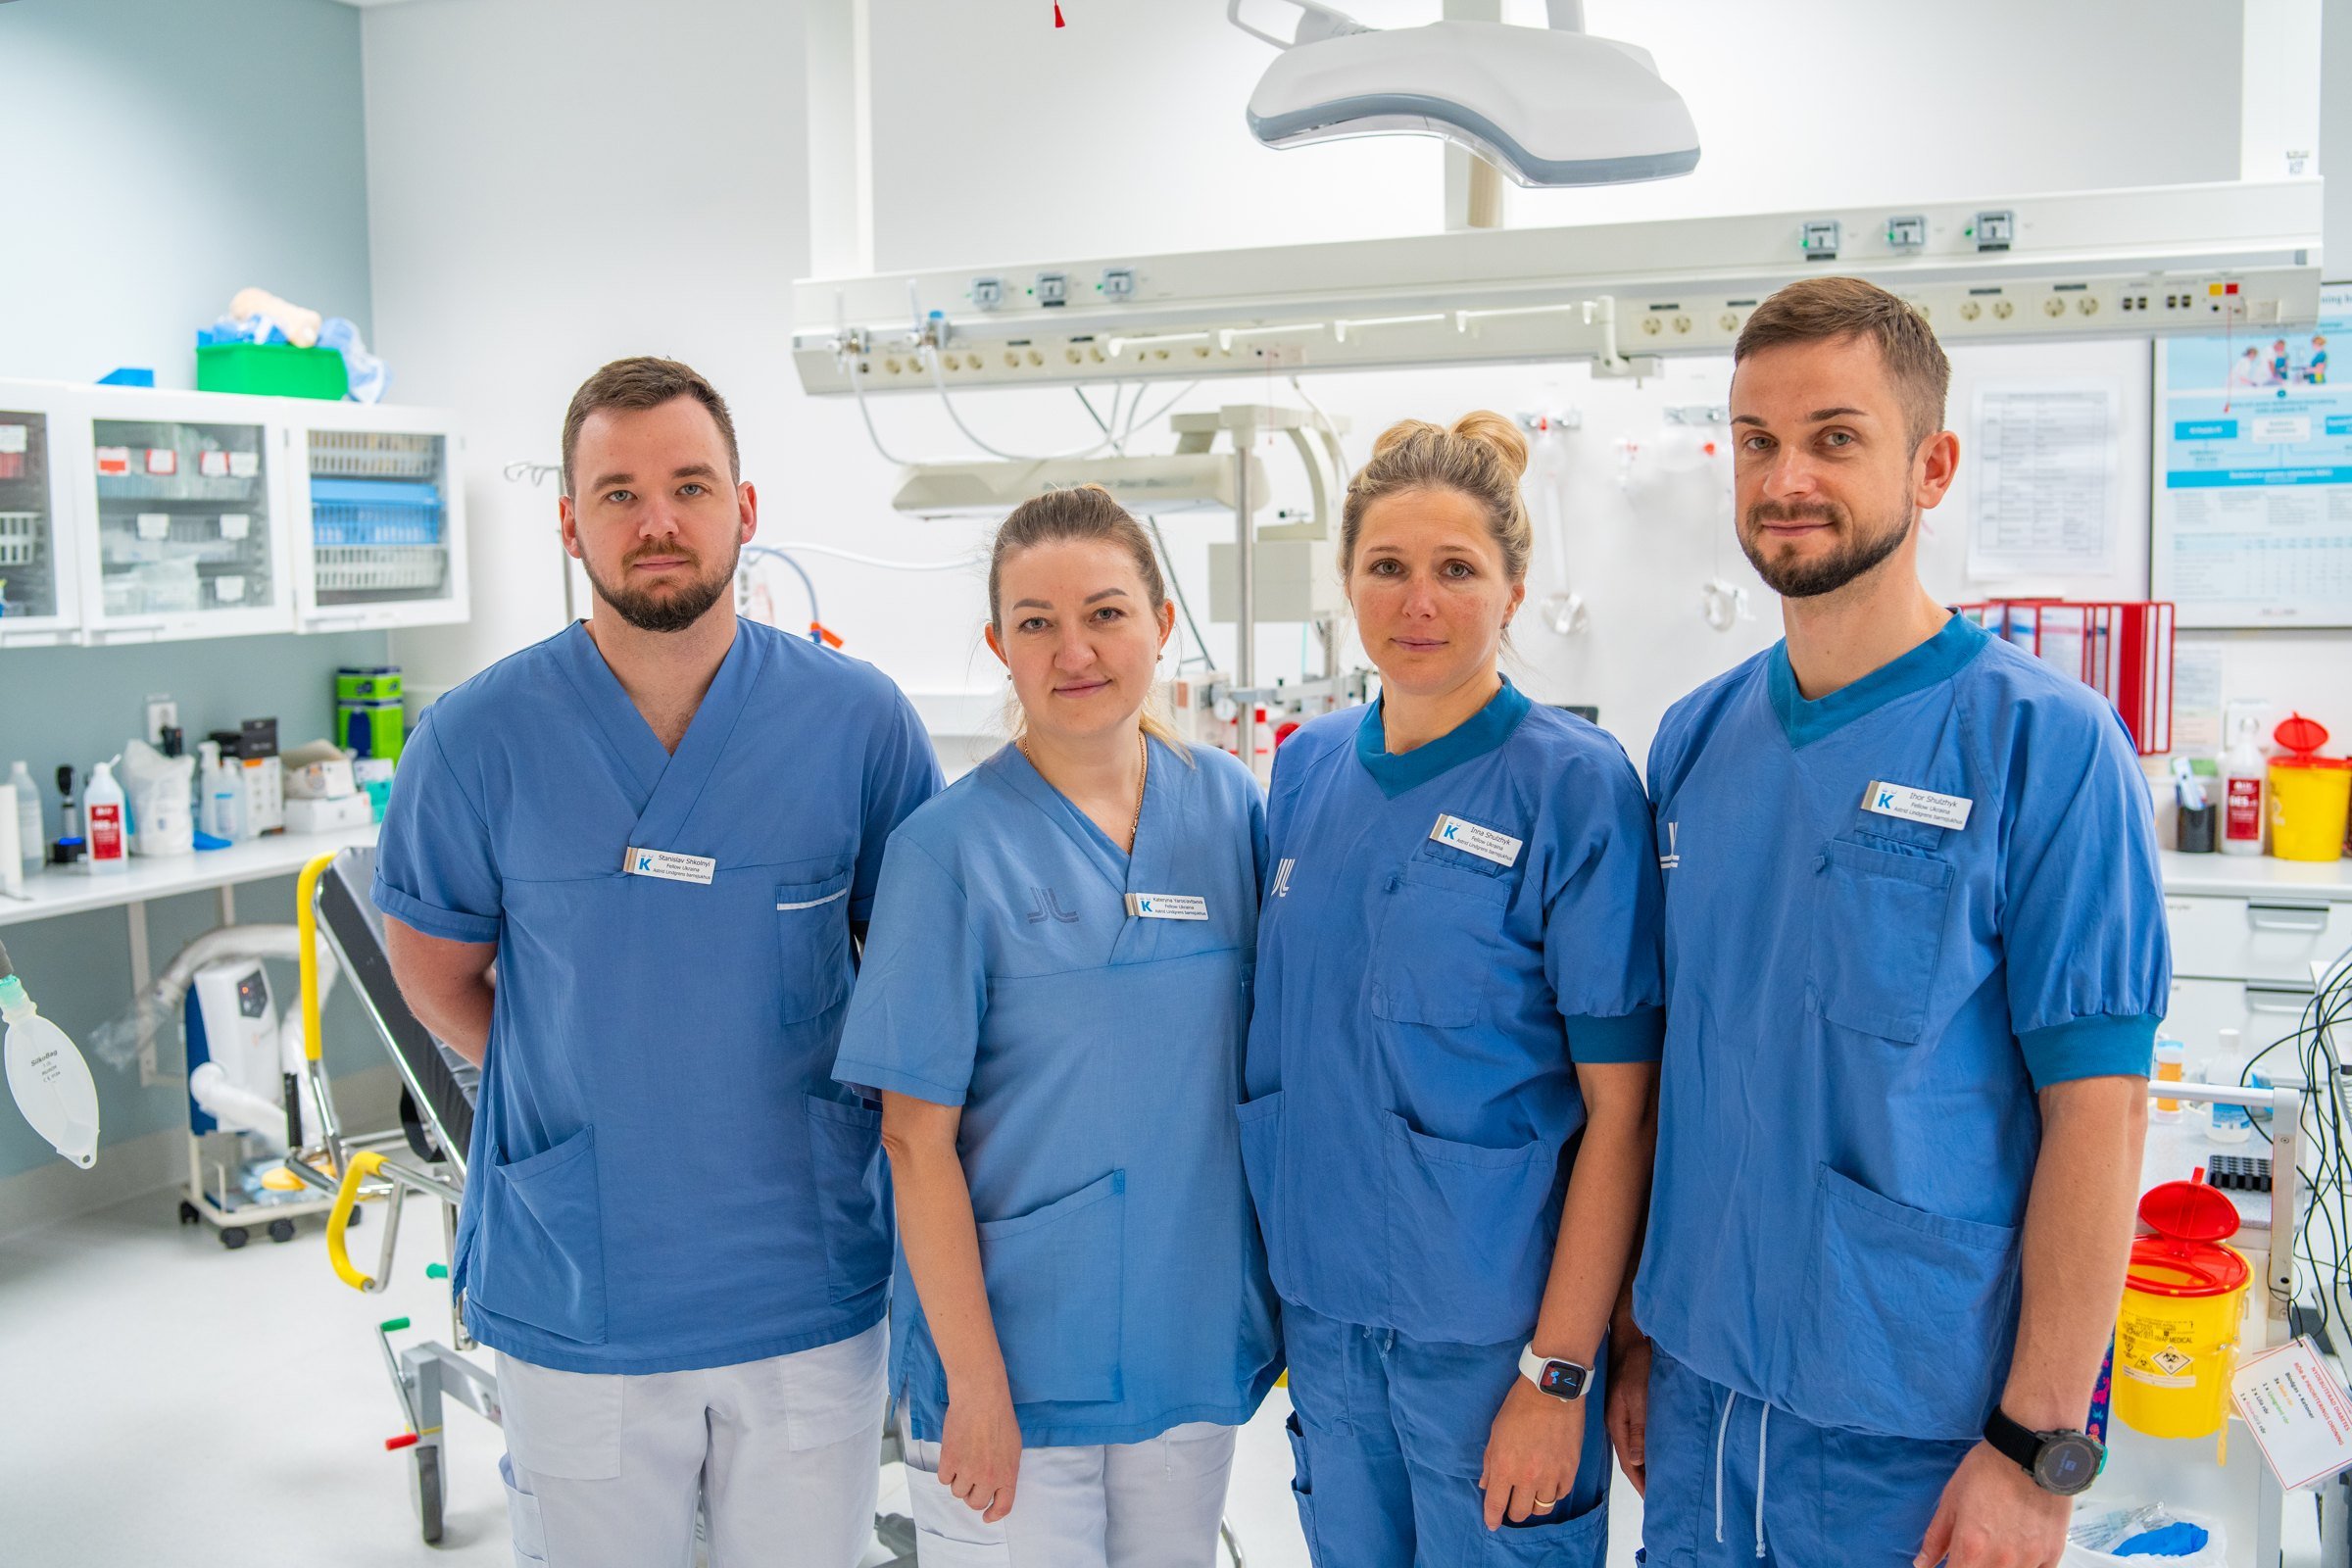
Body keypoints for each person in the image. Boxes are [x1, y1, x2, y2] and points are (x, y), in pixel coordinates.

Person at [1613, 277, 2169, 1568]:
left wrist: (2039, 1449)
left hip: (1920, 1429)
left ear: (1933, 465)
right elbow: (1693, 1067)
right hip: (1702, 1396)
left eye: (1835, 437)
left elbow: (2103, 1113)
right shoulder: (1698, 741)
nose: (1786, 475)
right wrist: (1644, 1332)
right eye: (1756, 440)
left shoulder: (2044, 744)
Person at [372, 357, 940, 1568]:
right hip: (585, 1274)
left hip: (804, 1269)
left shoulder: (858, 723)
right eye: (618, 493)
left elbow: (911, 979)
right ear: (569, 521)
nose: (658, 521)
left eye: (689, 484)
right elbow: (435, 978)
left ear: (746, 506)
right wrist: (590, 1088)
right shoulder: (476, 738)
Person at [1242, 414, 1664, 1568]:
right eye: (1387, 567)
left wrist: (1559, 1373)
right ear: (1345, 582)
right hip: (1327, 1332)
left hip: (1499, 1352)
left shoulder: (1573, 790)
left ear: (1514, 589)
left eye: (1456, 570)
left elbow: (1623, 1111)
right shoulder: (1307, 768)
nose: (1417, 602)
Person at [832, 485, 1279, 1566]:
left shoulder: (1228, 809)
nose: (1074, 648)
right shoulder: (947, 850)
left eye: (1106, 612)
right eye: (1036, 622)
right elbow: (912, 1137)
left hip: (1185, 1337)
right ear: (1000, 645)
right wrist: (977, 1383)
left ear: (1162, 624)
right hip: (1015, 1367)